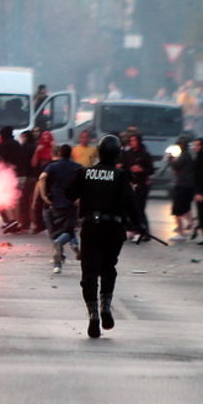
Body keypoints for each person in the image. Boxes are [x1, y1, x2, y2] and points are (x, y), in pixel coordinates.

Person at [65, 135, 142, 338]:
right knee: (108, 268)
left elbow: (69, 194)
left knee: (89, 273)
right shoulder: (120, 176)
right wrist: (139, 225)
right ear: (117, 154)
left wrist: (79, 179)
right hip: (113, 228)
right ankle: (105, 304)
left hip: (91, 227)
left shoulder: (85, 173)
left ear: (98, 152)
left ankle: (93, 314)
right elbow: (131, 202)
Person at [39, 144, 81, 274]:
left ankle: (58, 261)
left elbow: (42, 178)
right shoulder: (77, 167)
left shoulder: (52, 166)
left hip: (55, 203)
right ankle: (72, 245)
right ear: (70, 154)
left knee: (58, 231)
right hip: (71, 204)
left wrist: (43, 195)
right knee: (69, 229)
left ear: (59, 153)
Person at [119, 133, 154, 237]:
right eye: (131, 141)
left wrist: (142, 169)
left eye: (134, 140)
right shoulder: (128, 154)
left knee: (140, 208)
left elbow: (151, 170)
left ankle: (145, 232)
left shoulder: (144, 154)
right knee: (129, 208)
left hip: (141, 184)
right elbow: (124, 167)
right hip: (130, 184)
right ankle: (132, 229)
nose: (132, 143)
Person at [0, 126, 23, 233]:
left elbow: (2, 160)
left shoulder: (4, 144)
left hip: (7, 173)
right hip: (17, 172)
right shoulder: (16, 143)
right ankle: (16, 221)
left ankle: (11, 220)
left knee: (5, 198)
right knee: (14, 198)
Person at [167, 136, 194, 241]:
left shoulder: (184, 156)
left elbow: (175, 166)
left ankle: (181, 232)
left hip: (182, 185)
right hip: (187, 185)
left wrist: (170, 159)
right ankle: (191, 224)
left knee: (177, 210)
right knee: (185, 208)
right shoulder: (188, 155)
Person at [30, 131, 55, 234]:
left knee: (50, 200)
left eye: (47, 137)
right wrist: (37, 151)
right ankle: (38, 224)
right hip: (41, 177)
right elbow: (34, 164)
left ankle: (51, 224)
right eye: (44, 137)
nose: (46, 139)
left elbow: (55, 160)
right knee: (36, 201)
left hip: (51, 178)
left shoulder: (52, 149)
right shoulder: (39, 148)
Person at [17, 130, 38, 231]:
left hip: (26, 177)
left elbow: (21, 163)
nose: (21, 139)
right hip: (34, 176)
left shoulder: (24, 148)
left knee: (24, 201)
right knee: (32, 201)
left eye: (22, 137)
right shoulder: (35, 146)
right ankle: (34, 223)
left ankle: (25, 223)